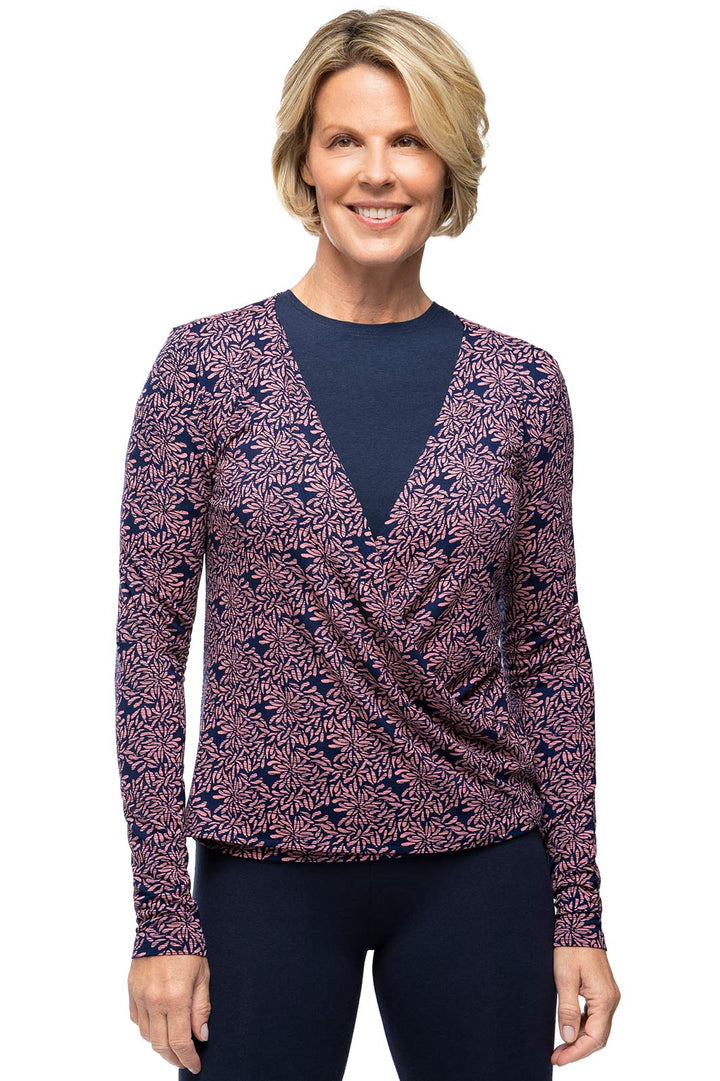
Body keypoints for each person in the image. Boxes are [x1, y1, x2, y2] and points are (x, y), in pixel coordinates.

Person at [114, 9, 621, 1080]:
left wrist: (579, 906)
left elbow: (549, 655)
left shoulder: (523, 385)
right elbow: (148, 651)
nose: (377, 173)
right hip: (263, 870)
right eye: (346, 139)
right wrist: (162, 915)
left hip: (483, 867)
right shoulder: (204, 370)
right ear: (304, 160)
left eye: (410, 140)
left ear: (450, 164)